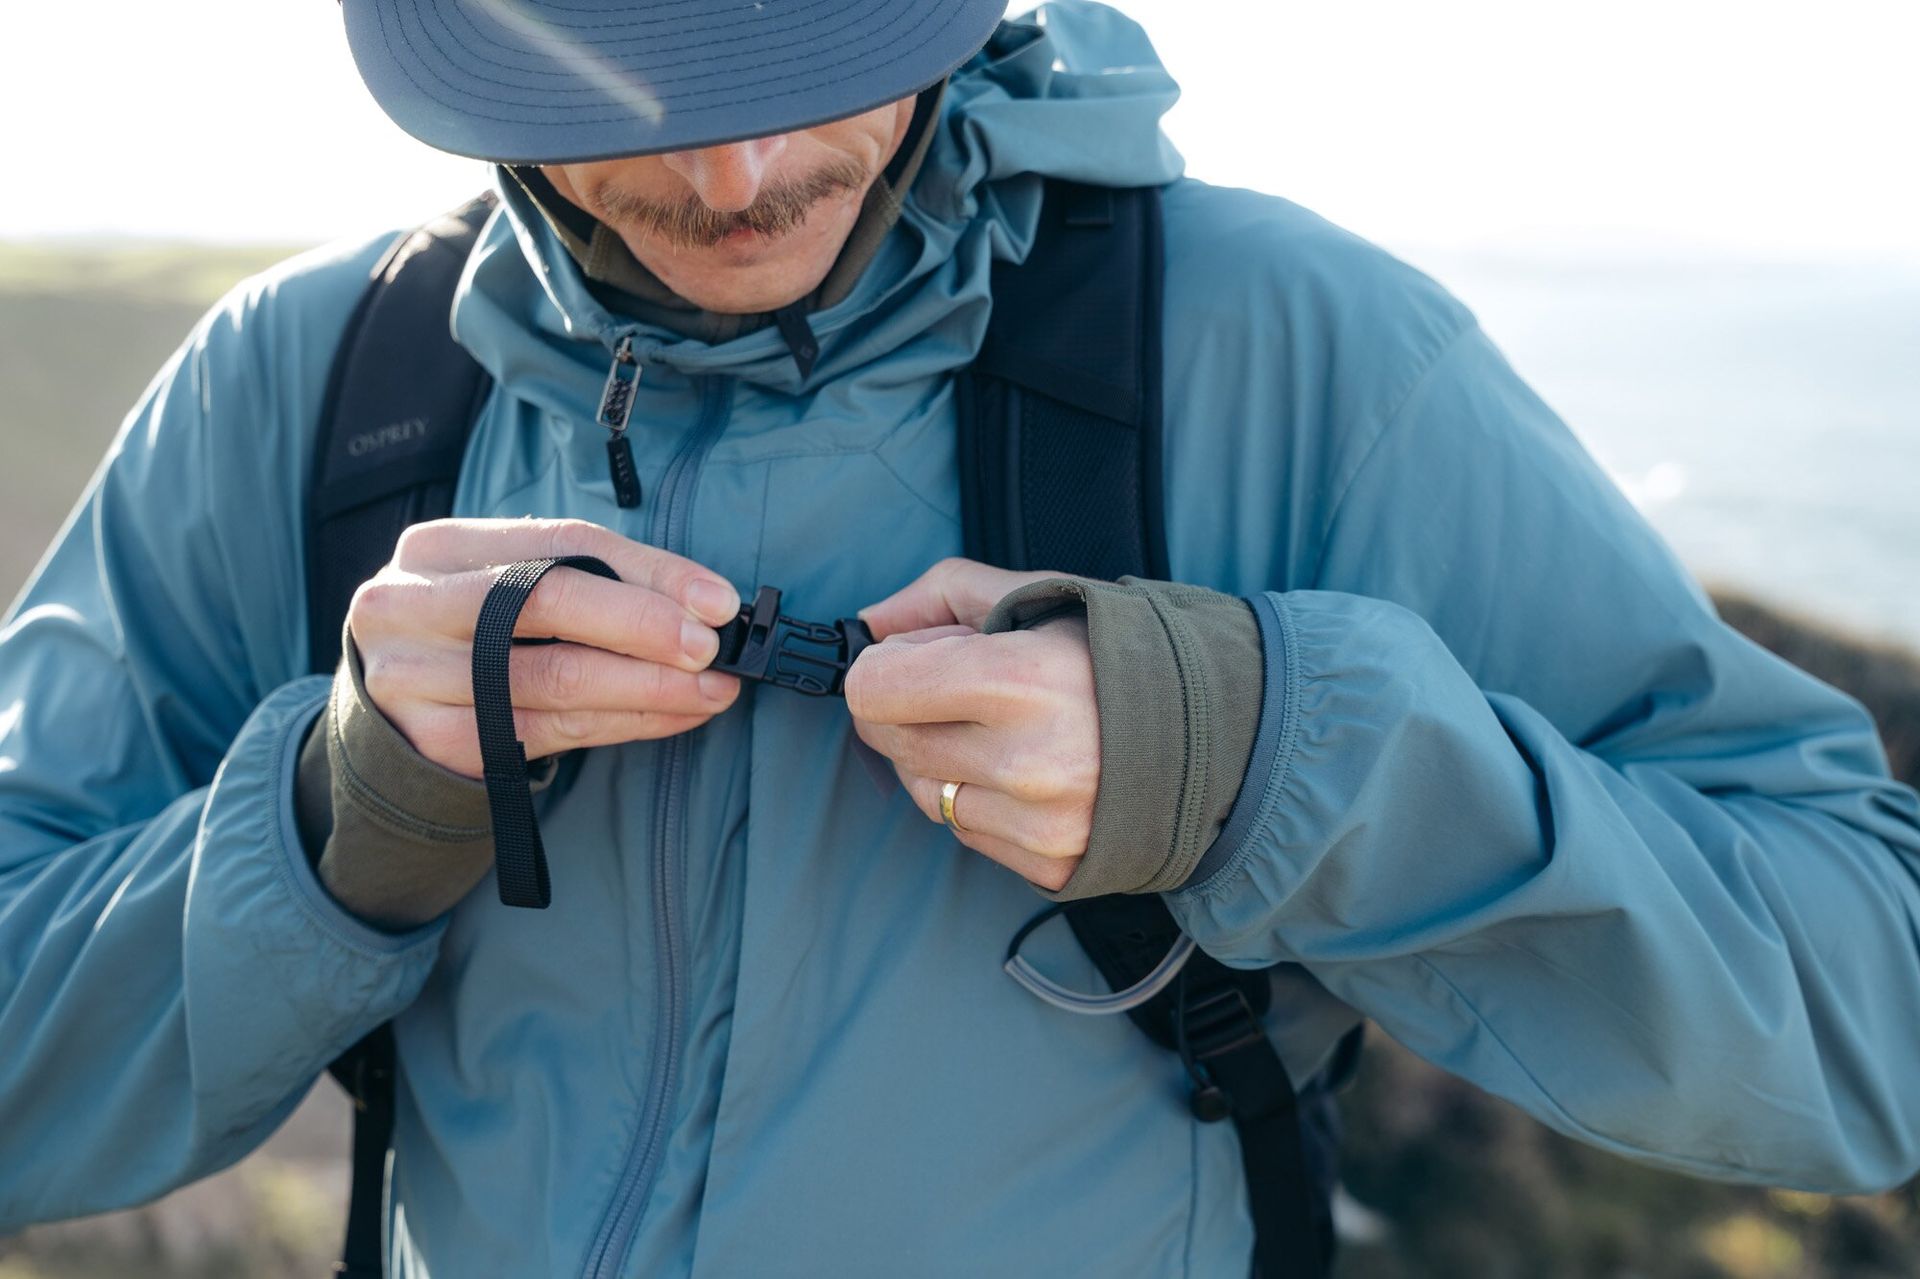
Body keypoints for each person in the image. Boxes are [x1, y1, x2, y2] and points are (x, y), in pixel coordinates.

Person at [2, 1, 1918, 1275]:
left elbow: (1860, 1015)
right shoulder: (311, 392)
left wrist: (1269, 759)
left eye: (800, 43)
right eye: (622, 86)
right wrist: (348, 817)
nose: (734, 182)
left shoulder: (1299, 352)